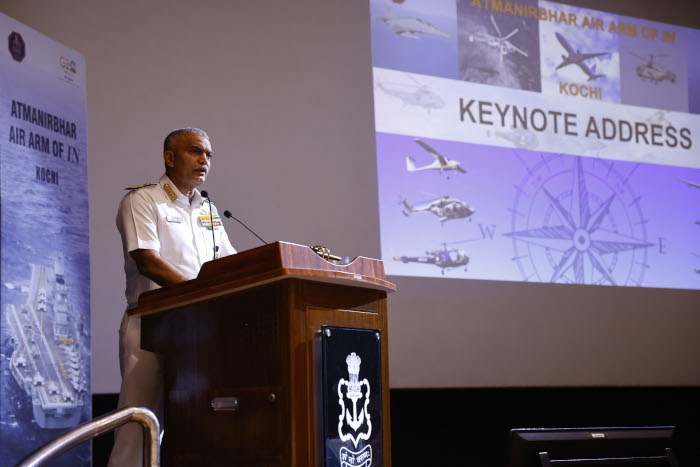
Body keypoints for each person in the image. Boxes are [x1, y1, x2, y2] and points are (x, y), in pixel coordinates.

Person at [109, 128, 236, 466]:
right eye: (196, 151)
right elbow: (147, 260)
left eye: (208, 155)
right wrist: (198, 295)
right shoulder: (142, 200)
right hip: (150, 326)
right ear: (170, 157)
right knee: (138, 430)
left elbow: (229, 263)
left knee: (194, 427)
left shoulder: (208, 208)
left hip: (198, 330)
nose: (204, 160)